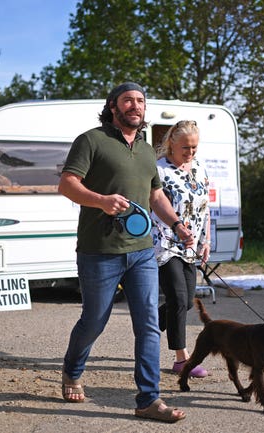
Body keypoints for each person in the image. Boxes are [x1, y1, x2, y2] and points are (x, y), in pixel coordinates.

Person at [58, 82, 194, 423]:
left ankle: (149, 399)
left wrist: (177, 224)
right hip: (99, 250)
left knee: (148, 324)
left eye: (140, 101)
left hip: (142, 252)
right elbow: (67, 184)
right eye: (128, 100)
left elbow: (156, 197)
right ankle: (72, 369)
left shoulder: (148, 150)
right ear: (114, 106)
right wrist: (101, 201)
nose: (135, 106)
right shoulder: (91, 140)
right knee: (94, 320)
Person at [150, 120, 212, 377]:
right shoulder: (159, 170)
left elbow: (204, 207)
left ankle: (149, 323)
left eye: (194, 148)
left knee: (186, 301)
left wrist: (206, 240)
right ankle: (181, 359)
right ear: (171, 144)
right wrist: (176, 228)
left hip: (191, 244)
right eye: (185, 148)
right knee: (177, 298)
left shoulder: (199, 167)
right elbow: (153, 204)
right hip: (165, 242)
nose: (190, 153)